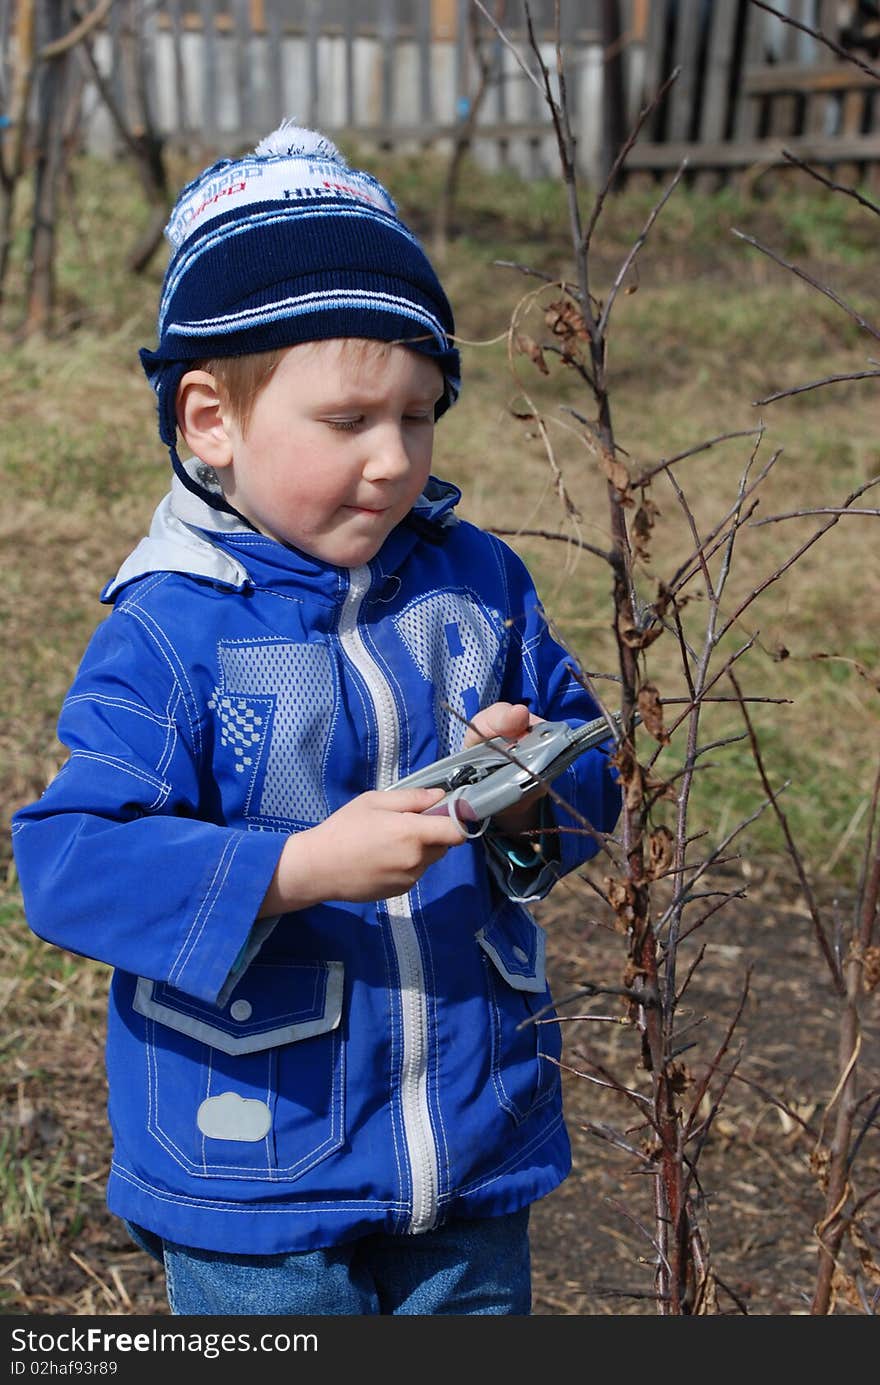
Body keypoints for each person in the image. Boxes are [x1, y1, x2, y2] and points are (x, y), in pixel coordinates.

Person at [11, 122, 621, 1317]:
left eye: (421, 412)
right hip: (255, 1169)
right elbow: (69, 862)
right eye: (348, 421)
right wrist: (295, 866)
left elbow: (586, 764)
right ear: (210, 422)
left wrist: (536, 785)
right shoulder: (170, 634)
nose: (395, 460)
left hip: (474, 1142)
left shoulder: (475, 586)